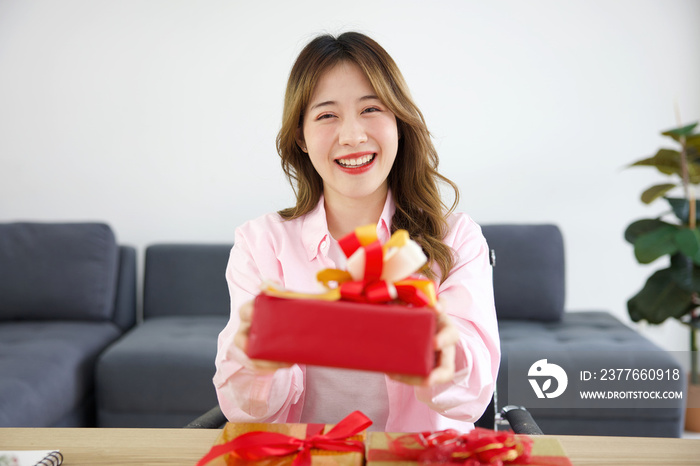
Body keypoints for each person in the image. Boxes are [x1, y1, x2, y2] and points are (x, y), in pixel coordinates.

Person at [214, 31, 499, 432]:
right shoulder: (262, 244)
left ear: (399, 121)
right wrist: (254, 363)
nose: (352, 136)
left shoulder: (457, 237)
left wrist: (441, 351)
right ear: (301, 136)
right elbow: (244, 412)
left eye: (371, 109)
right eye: (327, 115)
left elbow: (472, 397)